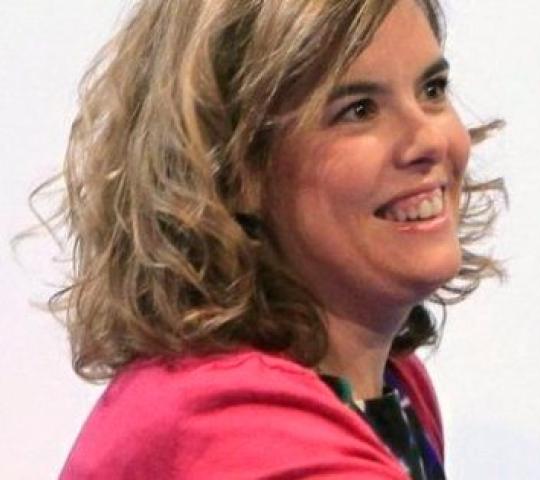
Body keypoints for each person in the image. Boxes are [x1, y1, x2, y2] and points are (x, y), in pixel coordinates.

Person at [42, 0, 504, 478]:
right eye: (359, 110)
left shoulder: (391, 382)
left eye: (432, 89)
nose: (430, 140)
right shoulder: (233, 426)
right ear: (234, 169)